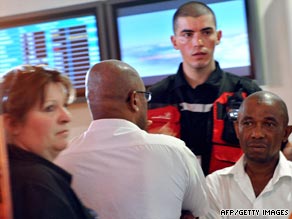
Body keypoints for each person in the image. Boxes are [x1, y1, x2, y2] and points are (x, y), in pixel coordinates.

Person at [55, 59, 209, 219]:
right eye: (145, 97)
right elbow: (202, 212)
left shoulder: (61, 160)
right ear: (134, 100)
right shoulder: (175, 151)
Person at [147, 1, 262, 175]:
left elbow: (277, 150)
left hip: (234, 197)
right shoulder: (155, 97)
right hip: (175, 198)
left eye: (206, 32)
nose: (198, 42)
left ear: (218, 36)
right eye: (187, 34)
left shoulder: (248, 92)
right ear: (174, 41)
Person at [1, 65, 97, 219]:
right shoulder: (34, 184)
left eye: (64, 105)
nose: (66, 117)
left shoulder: (23, 175)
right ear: (12, 123)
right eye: (50, 108)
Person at [204, 91, 292, 219]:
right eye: (248, 123)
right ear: (237, 130)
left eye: (269, 124)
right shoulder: (216, 184)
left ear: (285, 133)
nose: (257, 134)